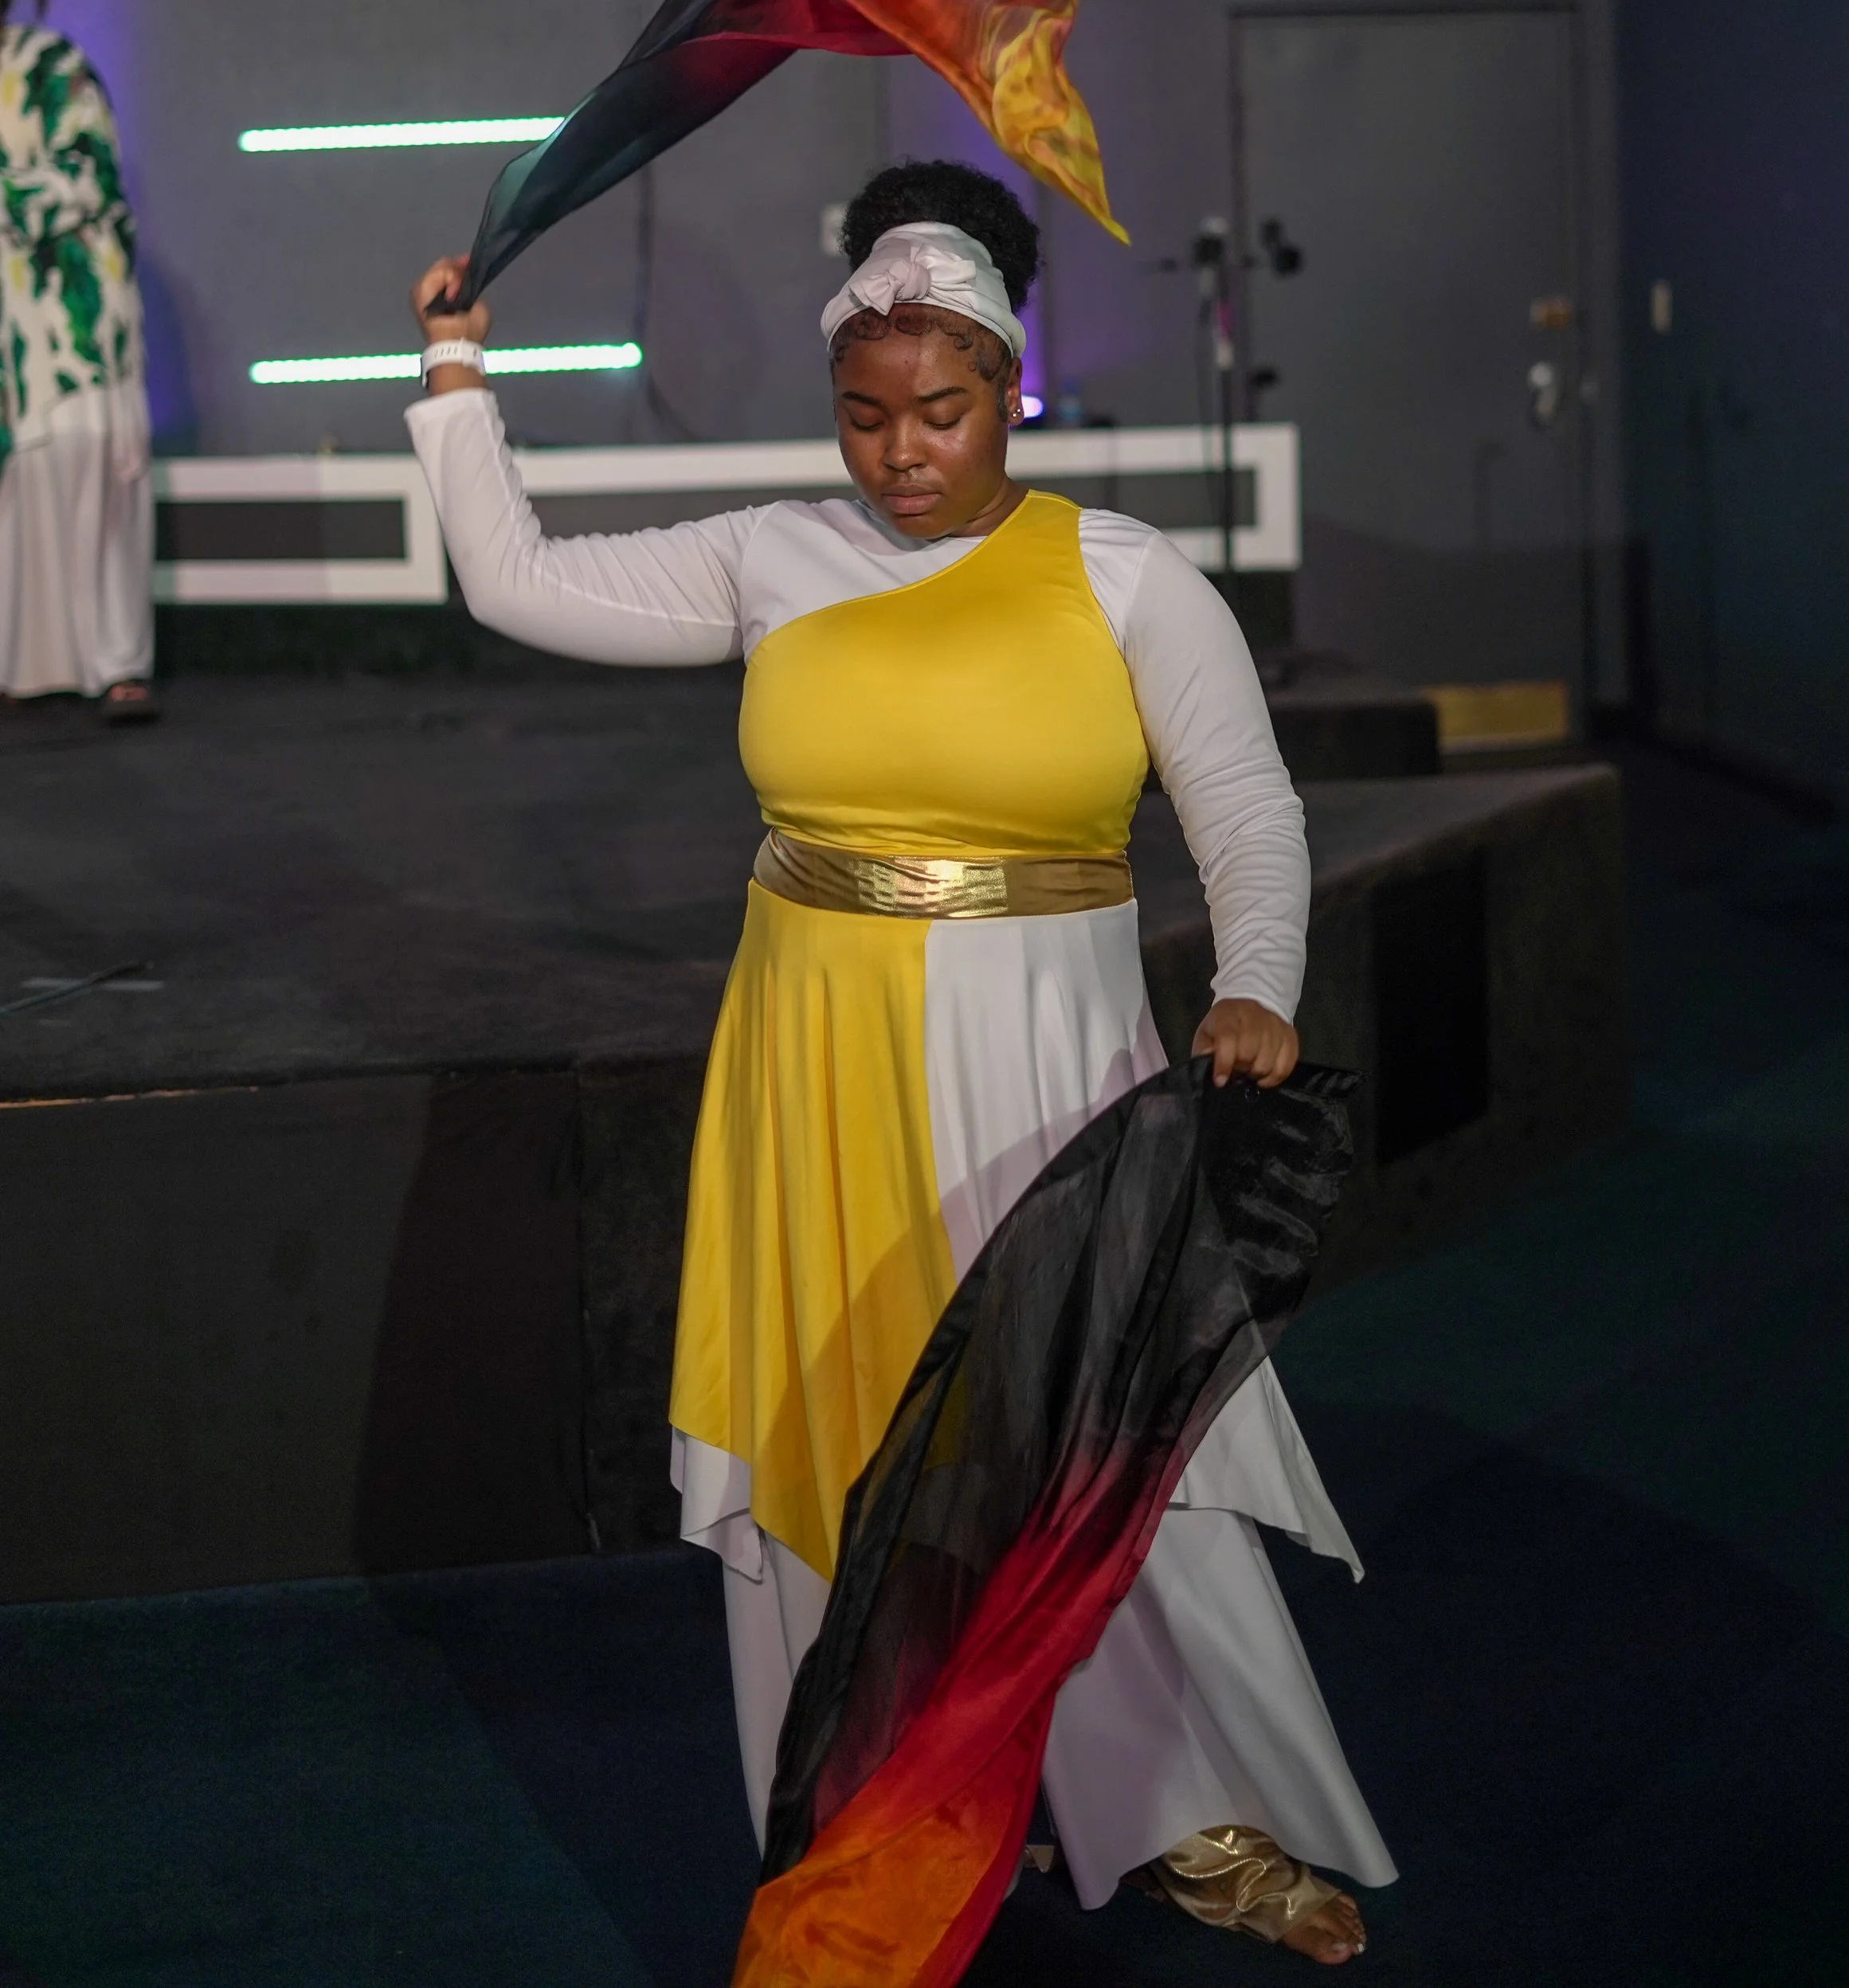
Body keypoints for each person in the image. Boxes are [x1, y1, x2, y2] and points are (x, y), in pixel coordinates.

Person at [406, 158, 1396, 1966]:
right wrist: (460, 378)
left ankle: (1200, 1811)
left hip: (1053, 1070)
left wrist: (1259, 975)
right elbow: (516, 579)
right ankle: (886, 1800)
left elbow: (1246, 809)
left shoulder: (1124, 574)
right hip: (812, 1060)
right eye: (864, 416)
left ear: (1007, 386)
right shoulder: (773, 551)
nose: (898, 451)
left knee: (1092, 1442)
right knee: (843, 1432)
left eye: (938, 411)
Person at [0, 0, 154, 721]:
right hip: (8, 343)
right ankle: (29, 665)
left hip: (69, 327)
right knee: (20, 499)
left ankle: (118, 665)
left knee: (91, 485)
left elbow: (89, 172)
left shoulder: (51, 67)